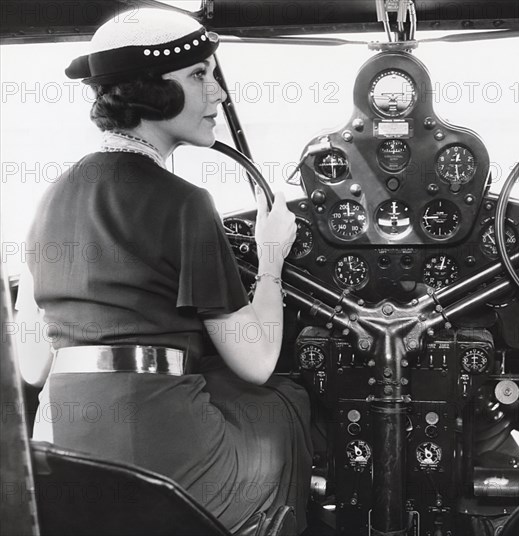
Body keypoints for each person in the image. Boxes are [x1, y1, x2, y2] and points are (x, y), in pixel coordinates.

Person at [17, 7, 313, 534]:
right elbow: (258, 360)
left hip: (63, 461)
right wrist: (270, 261)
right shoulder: (186, 204)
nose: (219, 94)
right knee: (283, 401)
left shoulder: (48, 198)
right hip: (163, 465)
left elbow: (33, 364)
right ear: (153, 93)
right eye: (199, 75)